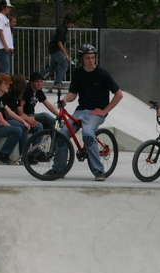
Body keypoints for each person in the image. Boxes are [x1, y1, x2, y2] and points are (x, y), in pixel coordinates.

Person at [49, 44, 122, 180]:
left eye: (93, 57)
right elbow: (73, 94)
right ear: (82, 59)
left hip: (96, 113)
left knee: (88, 134)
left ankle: (99, 171)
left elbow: (119, 94)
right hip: (81, 111)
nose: (91, 60)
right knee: (62, 134)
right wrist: (64, 100)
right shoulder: (78, 73)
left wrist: (105, 110)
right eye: (87, 58)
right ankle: (58, 170)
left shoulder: (103, 74)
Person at [0, 73, 32, 164]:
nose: (8, 86)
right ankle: (3, 155)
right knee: (17, 130)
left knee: (22, 126)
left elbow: (10, 112)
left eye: (9, 84)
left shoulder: (0, 97)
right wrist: (12, 128)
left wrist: (23, 121)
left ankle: (24, 155)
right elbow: (1, 121)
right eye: (6, 84)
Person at [48, 15, 73, 89]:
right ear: (68, 23)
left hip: (54, 49)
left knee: (52, 68)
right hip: (55, 49)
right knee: (64, 64)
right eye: (72, 23)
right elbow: (59, 42)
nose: (73, 25)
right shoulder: (62, 29)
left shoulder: (63, 28)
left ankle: (40, 78)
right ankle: (57, 83)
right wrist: (66, 55)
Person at [0, 1, 14, 74]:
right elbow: (0, 31)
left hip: (5, 47)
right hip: (2, 47)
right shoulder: (0, 17)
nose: (9, 9)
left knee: (5, 68)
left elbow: (7, 33)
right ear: (4, 7)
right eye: (8, 7)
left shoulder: (5, 18)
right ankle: (2, 81)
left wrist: (10, 46)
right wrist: (5, 45)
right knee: (5, 69)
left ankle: (2, 80)